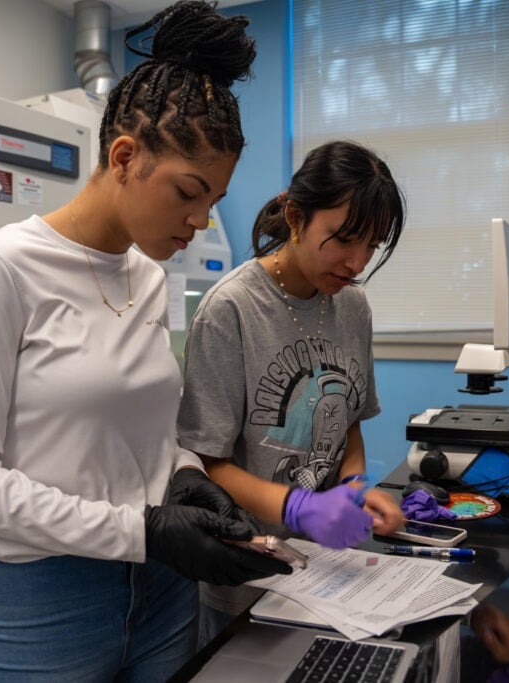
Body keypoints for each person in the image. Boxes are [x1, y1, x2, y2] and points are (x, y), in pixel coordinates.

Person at [0, 2, 291, 680]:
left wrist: (182, 473)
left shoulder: (149, 279)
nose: (200, 220)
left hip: (163, 586)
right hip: (48, 599)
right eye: (189, 192)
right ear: (125, 156)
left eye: (213, 199)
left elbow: (142, 426)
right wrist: (140, 529)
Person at [176, 140, 410, 647]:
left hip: (327, 572)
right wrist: (296, 507)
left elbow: (349, 420)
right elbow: (207, 464)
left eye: (371, 245)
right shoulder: (231, 310)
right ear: (295, 216)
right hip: (247, 573)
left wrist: (353, 487)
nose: (356, 261)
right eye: (344, 238)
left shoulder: (353, 306)